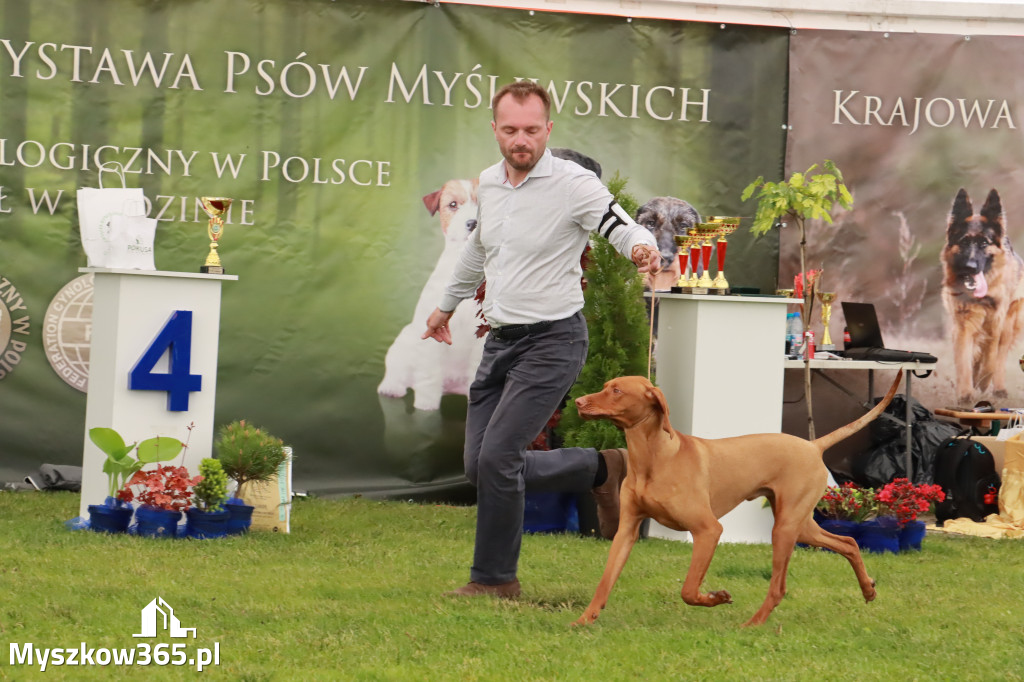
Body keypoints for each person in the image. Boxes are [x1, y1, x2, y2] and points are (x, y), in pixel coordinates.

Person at [422, 80, 661, 598]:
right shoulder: (488, 182)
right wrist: (445, 308)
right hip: (502, 340)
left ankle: (494, 581)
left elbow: (619, 225)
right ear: (495, 131)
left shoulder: (573, 184)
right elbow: (478, 252)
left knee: (497, 459)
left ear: (548, 129)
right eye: (510, 130)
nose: (521, 140)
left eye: (532, 130)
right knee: (480, 466)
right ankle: (602, 467)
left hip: (553, 340)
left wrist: (641, 247)